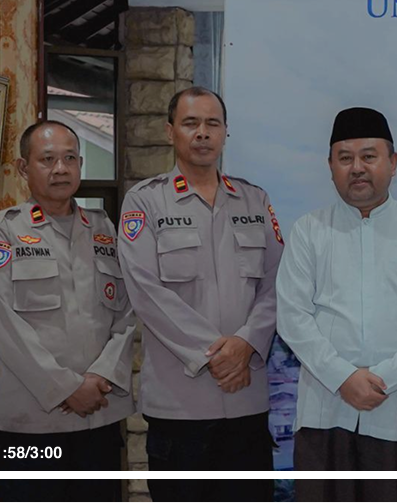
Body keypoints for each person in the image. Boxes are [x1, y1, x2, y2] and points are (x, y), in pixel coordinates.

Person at [118, 87, 282, 501]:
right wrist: (219, 356)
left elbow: (277, 283)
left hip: (246, 401)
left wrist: (246, 343)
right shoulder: (145, 201)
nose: (203, 133)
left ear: (226, 132)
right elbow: (146, 291)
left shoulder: (254, 199)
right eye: (191, 123)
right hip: (180, 407)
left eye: (212, 123)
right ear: (170, 131)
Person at [276, 107, 397, 501]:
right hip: (324, 413)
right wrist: (343, 377)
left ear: (393, 162)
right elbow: (292, 316)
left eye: (369, 156)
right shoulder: (308, 230)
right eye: (345, 158)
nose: (357, 168)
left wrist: (384, 377)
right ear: (330, 166)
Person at [0, 120, 135, 501]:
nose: (60, 169)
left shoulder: (104, 230)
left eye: (70, 158)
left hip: (100, 418)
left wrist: (100, 377)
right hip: (29, 426)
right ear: (23, 168)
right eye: (47, 159)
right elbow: (4, 325)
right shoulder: (1, 232)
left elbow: (128, 313)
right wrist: (68, 388)